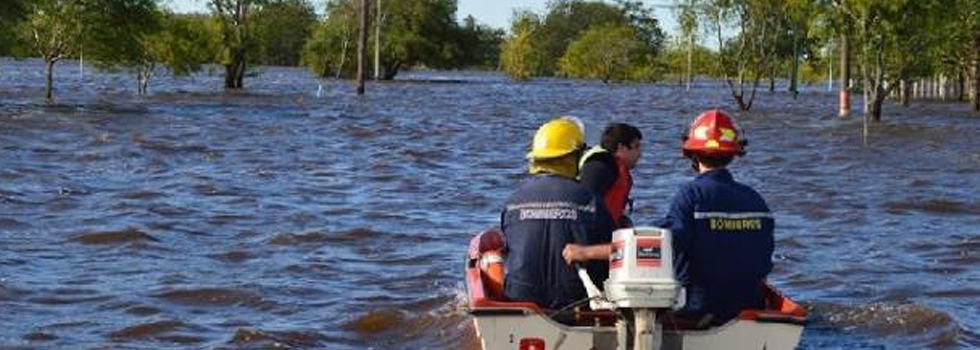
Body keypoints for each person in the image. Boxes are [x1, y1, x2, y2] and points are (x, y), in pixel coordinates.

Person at [562, 110, 774, 325]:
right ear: (733, 153)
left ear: (692, 154)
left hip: (698, 310)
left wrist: (585, 252)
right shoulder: (757, 201)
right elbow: (764, 262)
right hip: (749, 308)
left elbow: (654, 247)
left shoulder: (692, 195)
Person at [501, 117, 614, 310]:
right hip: (574, 300)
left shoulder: (513, 201)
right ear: (574, 158)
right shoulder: (589, 199)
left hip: (520, 298)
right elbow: (616, 250)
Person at [579, 123, 643, 228]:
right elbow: (583, 206)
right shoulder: (600, 166)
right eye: (636, 147)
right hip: (593, 238)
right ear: (621, 147)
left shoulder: (616, 168)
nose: (639, 154)